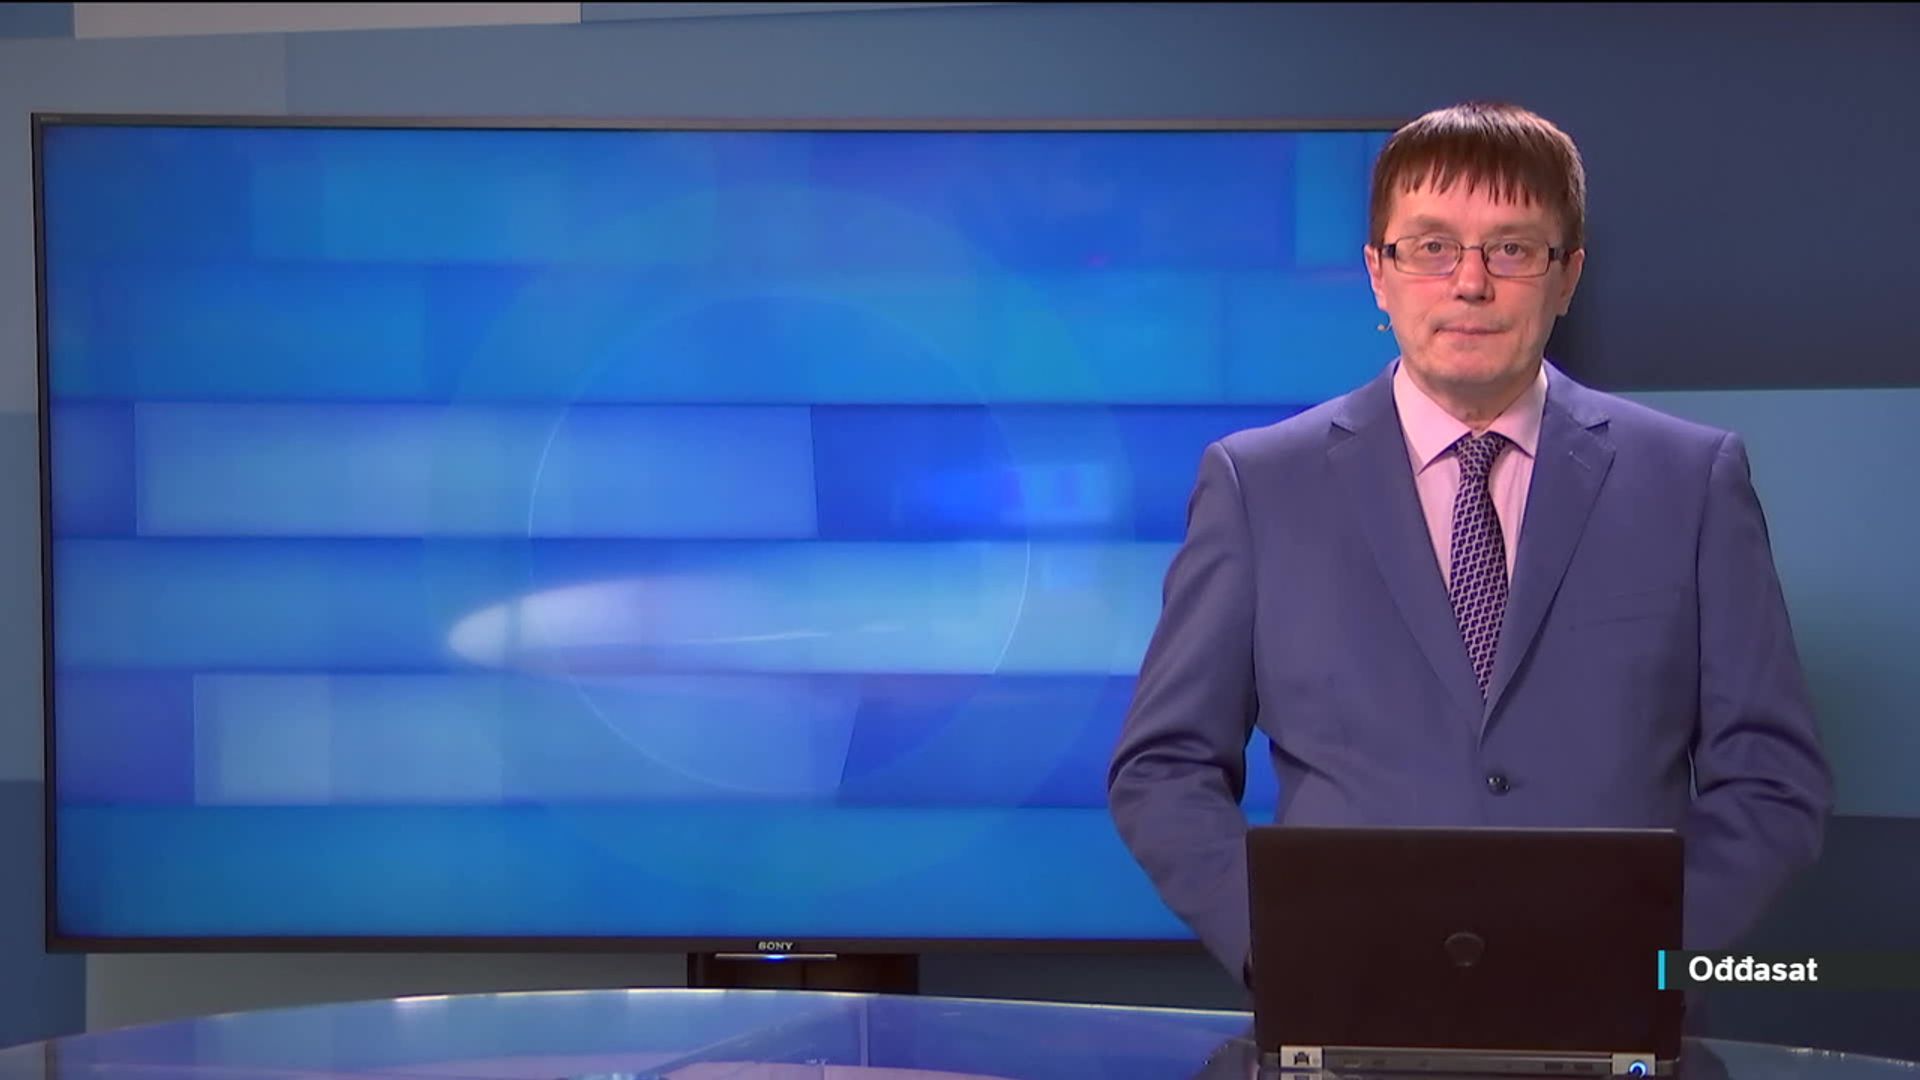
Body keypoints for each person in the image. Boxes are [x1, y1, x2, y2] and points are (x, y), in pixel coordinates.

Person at [1106, 101, 1833, 989]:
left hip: (1614, 1013)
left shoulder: (1691, 480)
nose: (1470, 283)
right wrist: (1284, 947)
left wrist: (1652, 955)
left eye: (1513, 249)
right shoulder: (1259, 485)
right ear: (1378, 273)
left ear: (1567, 277)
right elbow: (1165, 766)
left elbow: (1771, 778)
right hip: (1346, 1007)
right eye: (1432, 247)